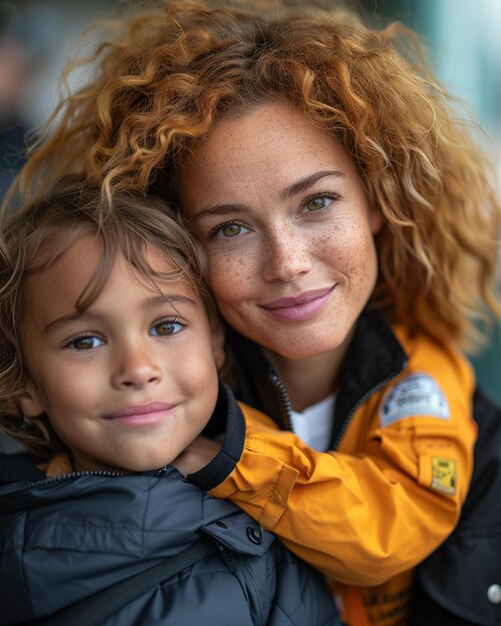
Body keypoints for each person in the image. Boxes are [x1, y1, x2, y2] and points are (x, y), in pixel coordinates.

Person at [5, 1, 501, 625]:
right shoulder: (144, 409)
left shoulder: (433, 382)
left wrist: (234, 456)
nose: (287, 262)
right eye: (231, 228)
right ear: (177, 245)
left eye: (317, 202)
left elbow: (393, 530)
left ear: (378, 196)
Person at [0, 180, 341, 626]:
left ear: (215, 345)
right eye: (85, 340)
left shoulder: (272, 487)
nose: (138, 369)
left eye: (165, 327)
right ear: (26, 385)